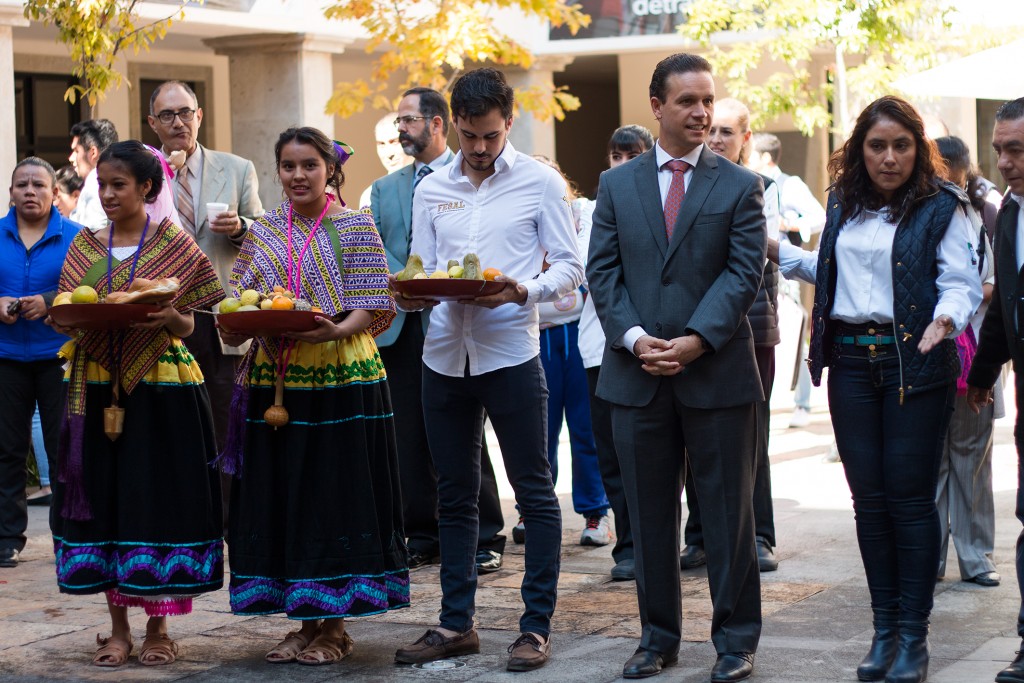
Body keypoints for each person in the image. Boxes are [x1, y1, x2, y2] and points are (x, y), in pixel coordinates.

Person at [776, 96, 981, 683]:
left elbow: (960, 283)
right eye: (876, 146)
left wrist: (945, 321)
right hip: (850, 363)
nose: (888, 158)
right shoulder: (843, 203)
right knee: (869, 504)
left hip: (914, 364)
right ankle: (883, 630)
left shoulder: (944, 206)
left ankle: (913, 637)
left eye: (901, 146)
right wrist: (782, 255)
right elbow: (836, 272)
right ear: (858, 150)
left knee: (910, 501)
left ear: (919, 150)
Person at [392, 67, 583, 673]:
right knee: (453, 495)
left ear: (508, 123)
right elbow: (423, 266)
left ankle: (535, 627)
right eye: (470, 136)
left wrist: (519, 291)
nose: (478, 149)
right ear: (453, 125)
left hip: (510, 353)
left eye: (490, 137)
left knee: (534, 491)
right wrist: (413, 293)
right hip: (443, 353)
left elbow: (570, 271)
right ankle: (455, 623)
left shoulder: (539, 183)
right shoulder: (430, 188)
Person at [587, 53, 766, 683]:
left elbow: (744, 272)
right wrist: (636, 338)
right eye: (687, 101)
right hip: (637, 377)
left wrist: (694, 340)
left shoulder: (740, 185)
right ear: (657, 107)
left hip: (716, 375)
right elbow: (602, 272)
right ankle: (656, 638)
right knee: (649, 518)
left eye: (708, 101)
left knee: (727, 517)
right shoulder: (617, 184)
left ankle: (735, 641)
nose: (701, 112)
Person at [219, 126, 407, 666]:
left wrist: (333, 329)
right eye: (287, 166)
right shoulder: (262, 232)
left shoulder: (356, 226)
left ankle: (335, 625)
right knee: (285, 492)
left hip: (341, 376)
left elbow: (374, 304)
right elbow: (245, 299)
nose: (298, 175)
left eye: (309, 165)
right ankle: (303, 621)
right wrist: (235, 326)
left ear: (331, 170)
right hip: (273, 379)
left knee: (335, 491)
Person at [49, 140, 226, 667]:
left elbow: (192, 321)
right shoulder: (85, 246)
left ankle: (158, 627)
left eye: (117, 184)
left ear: (147, 188)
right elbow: (65, 313)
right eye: (99, 184)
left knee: (156, 497)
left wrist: (167, 316)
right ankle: (118, 630)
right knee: (105, 499)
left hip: (162, 388)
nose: (105, 194)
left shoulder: (175, 245)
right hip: (95, 382)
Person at [370, 86, 507, 574]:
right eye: (398, 122)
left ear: (436, 124)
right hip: (397, 327)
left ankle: (486, 534)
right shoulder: (384, 189)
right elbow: (377, 244)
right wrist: (405, 276)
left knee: (466, 432)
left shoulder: (465, 175)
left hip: (451, 319)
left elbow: (467, 246)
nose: (400, 129)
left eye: (408, 120)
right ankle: (422, 532)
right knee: (407, 432)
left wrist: (432, 277)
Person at [147, 80, 264, 519]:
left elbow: (264, 235)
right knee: (168, 421)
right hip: (162, 317)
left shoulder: (236, 169)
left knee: (225, 421)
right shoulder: (146, 171)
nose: (178, 122)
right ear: (152, 123)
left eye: (186, 113)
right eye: (167, 116)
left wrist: (239, 228)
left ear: (200, 115)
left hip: (219, 318)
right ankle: (179, 515)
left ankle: (231, 518)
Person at [680, 98, 782, 575]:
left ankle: (759, 534)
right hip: (689, 334)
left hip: (750, 332)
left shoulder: (756, 188)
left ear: (746, 138)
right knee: (691, 437)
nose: (715, 137)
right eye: (712, 130)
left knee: (748, 440)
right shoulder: (686, 183)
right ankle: (698, 534)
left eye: (726, 131)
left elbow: (750, 268)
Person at [578, 124, 654, 582]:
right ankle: (627, 545)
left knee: (649, 453)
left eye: (632, 156)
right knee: (610, 453)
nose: (622, 165)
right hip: (599, 348)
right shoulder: (589, 210)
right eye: (615, 156)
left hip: (652, 344)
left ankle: (654, 542)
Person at [965, 96, 1024, 683]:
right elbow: (1006, 307)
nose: (1005, 162)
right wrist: (983, 373)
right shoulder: (1006, 213)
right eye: (1000, 150)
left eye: (1017, 150)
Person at [0, 158, 81, 566]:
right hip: (6, 358)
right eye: (21, 185)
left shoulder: (77, 238)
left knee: (62, 447)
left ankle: (66, 537)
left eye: (38, 185)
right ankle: (6, 538)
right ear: (11, 192)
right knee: (6, 450)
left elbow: (92, 288)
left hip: (59, 358)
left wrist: (48, 302)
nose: (29, 191)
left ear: (54, 193)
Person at [530, 154, 611, 547]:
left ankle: (596, 512)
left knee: (586, 427)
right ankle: (537, 511)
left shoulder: (583, 214)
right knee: (539, 430)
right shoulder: (518, 216)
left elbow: (582, 262)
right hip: (536, 335)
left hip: (580, 334)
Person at [934, 135, 1001, 589]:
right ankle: (931, 558)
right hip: (924, 356)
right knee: (932, 460)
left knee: (971, 457)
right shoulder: (911, 216)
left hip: (971, 351)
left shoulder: (977, 215)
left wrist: (961, 298)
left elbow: (993, 282)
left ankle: (975, 556)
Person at [749, 132, 827, 429]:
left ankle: (803, 402)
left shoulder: (788, 185)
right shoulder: (745, 180)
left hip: (786, 272)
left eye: (753, 153)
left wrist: (787, 224)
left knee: (797, 334)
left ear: (766, 158)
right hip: (765, 272)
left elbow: (818, 217)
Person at [68, 119, 119, 230]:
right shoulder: (123, 178)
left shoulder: (95, 182)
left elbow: (94, 234)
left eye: (76, 151)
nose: (71, 158)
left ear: (93, 152)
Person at [359, 112, 415, 207]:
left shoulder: (434, 185)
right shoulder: (370, 196)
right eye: (381, 144)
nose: (389, 153)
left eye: (394, 142)